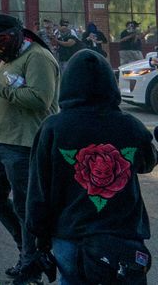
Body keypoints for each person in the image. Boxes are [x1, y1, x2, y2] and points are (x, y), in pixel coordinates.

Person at [24, 49, 156, 284]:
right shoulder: (130, 126)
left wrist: (39, 240)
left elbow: (39, 191)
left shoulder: (53, 128)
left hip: (70, 235)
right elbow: (146, 163)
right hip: (121, 236)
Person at [0, 14, 60, 283]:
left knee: (24, 207)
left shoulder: (38, 57)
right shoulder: (12, 58)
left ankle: (31, 267)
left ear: (18, 34)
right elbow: (8, 90)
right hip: (1, 143)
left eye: (2, 41)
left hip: (25, 145)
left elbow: (40, 100)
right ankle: (27, 250)